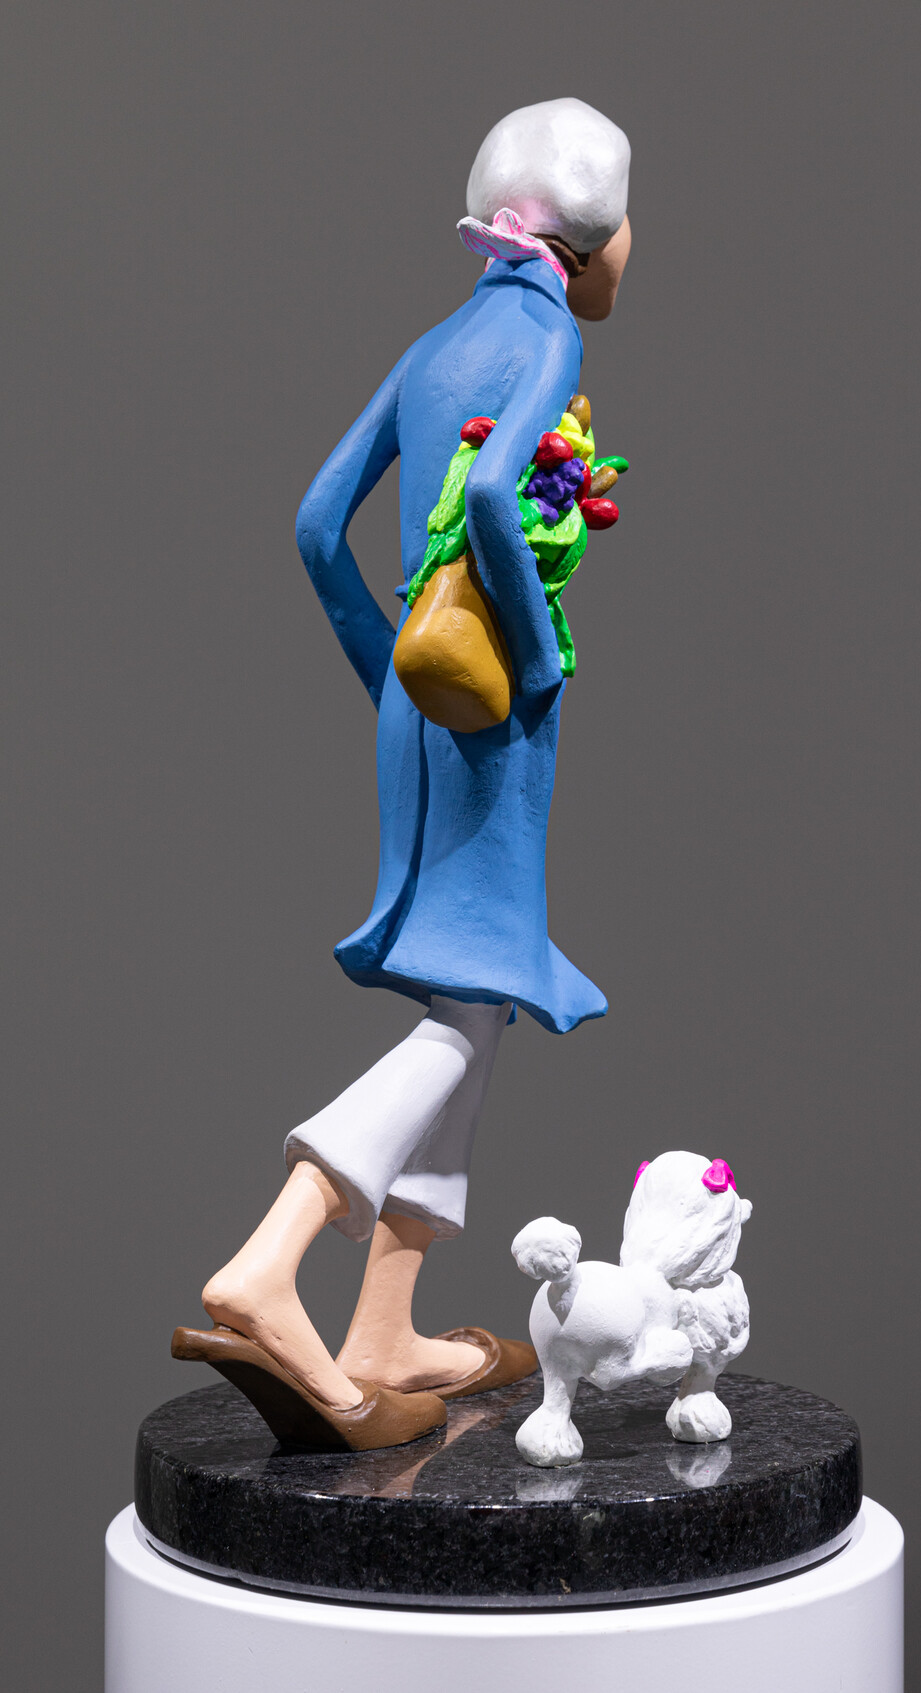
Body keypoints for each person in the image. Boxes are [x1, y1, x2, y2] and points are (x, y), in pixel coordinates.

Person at [173, 99, 632, 1450]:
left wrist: (393, 672)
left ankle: (385, 1324)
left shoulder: (436, 345)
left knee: (469, 997)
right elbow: (491, 501)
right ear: (593, 232)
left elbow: (321, 525)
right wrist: (535, 665)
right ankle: (271, 1262)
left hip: (418, 708)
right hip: (489, 710)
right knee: (470, 1009)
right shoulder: (546, 336)